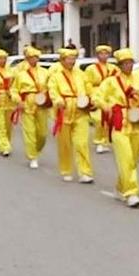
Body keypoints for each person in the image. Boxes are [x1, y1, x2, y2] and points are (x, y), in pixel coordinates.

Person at [97, 49, 139, 208]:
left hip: (137, 121)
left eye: (130, 63)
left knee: (133, 160)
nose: (128, 66)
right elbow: (97, 97)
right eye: (125, 63)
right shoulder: (111, 81)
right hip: (120, 122)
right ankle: (131, 193)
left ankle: (120, 187)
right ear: (119, 65)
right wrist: (107, 106)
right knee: (125, 157)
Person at [48, 48, 94, 184]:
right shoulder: (55, 76)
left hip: (80, 112)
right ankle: (66, 170)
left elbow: (88, 88)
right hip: (64, 112)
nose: (71, 61)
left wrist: (91, 99)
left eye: (73, 59)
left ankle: (85, 172)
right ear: (62, 60)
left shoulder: (81, 74)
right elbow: (53, 92)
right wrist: (58, 101)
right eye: (69, 59)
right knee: (65, 144)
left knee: (82, 143)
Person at [11, 46, 50, 169]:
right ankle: (32, 156)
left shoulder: (45, 72)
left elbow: (51, 86)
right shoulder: (20, 74)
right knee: (29, 131)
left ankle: (37, 148)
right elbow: (13, 90)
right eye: (30, 58)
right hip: (27, 103)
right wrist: (18, 100)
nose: (33, 60)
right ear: (27, 59)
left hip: (41, 102)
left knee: (43, 133)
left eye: (35, 57)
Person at [84, 45, 117, 154]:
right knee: (99, 119)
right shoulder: (91, 68)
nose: (103, 55)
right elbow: (87, 83)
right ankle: (98, 141)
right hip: (97, 93)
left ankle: (106, 141)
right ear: (97, 55)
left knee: (110, 118)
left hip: (110, 95)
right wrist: (91, 95)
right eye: (101, 53)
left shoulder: (113, 68)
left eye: (106, 53)